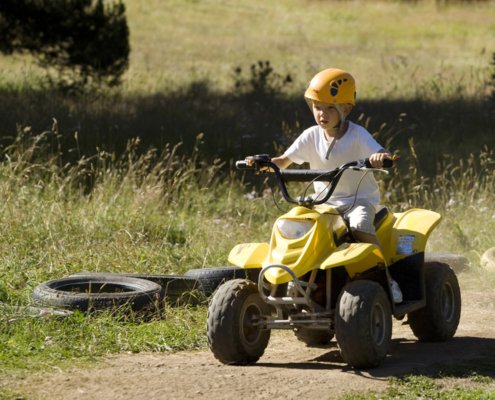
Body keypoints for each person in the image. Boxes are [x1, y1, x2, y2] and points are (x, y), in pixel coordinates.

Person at [248, 68, 392, 249]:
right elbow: (283, 161)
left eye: (330, 107)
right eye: (317, 107)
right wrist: (262, 164)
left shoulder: (357, 135)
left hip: (357, 203)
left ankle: (385, 271)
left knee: (359, 226)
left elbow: (382, 152)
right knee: (290, 225)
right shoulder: (311, 135)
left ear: (346, 108)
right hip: (322, 203)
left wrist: (381, 157)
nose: (322, 114)